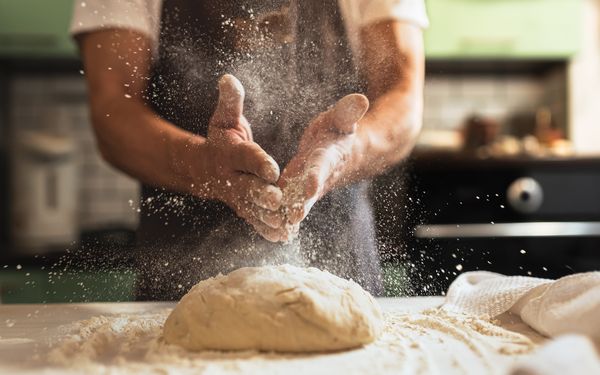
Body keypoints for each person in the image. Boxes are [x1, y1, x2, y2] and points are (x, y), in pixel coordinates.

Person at [71, 0, 427, 299]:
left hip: (341, 266)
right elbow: (113, 111)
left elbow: (402, 98)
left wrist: (343, 153)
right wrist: (202, 166)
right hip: (180, 277)